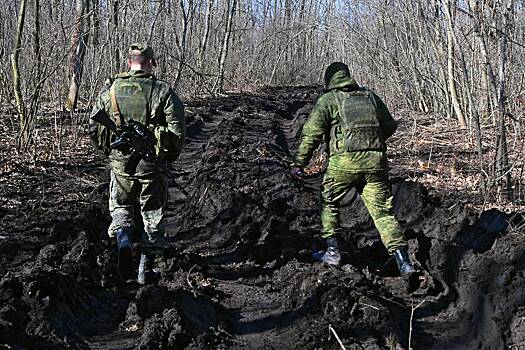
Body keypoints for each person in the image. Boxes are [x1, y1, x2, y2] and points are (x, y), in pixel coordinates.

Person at [291, 62, 417, 289]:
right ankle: (404, 262)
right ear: (348, 76)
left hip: (343, 163)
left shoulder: (329, 100)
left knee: (329, 200)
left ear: (329, 80)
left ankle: (332, 252)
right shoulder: (369, 96)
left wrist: (300, 164)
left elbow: (312, 134)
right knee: (382, 214)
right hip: (376, 163)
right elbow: (389, 126)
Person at [89, 43, 185, 284]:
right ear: (150, 62)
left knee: (120, 206)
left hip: (120, 164)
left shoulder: (111, 91)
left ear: (129, 62)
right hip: (151, 166)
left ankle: (123, 240)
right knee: (151, 212)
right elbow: (176, 133)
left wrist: (110, 154)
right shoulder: (163, 91)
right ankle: (145, 267)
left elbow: (94, 127)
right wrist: (165, 154)